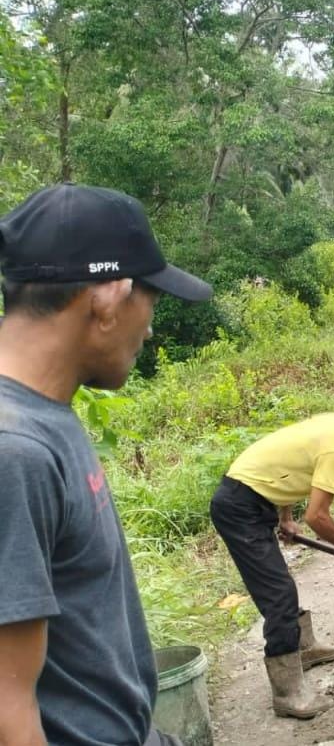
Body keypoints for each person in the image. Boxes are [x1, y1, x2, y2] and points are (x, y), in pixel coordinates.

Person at [0, 183, 212, 746]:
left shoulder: (43, 415)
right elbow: (7, 705)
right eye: (152, 301)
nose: (150, 327)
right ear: (108, 297)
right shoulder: (13, 451)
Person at [210, 385, 334, 719]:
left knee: (279, 585)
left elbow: (288, 469)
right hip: (239, 507)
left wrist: (285, 517)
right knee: (278, 594)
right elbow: (318, 517)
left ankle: (303, 649)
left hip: (256, 497)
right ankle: (288, 694)